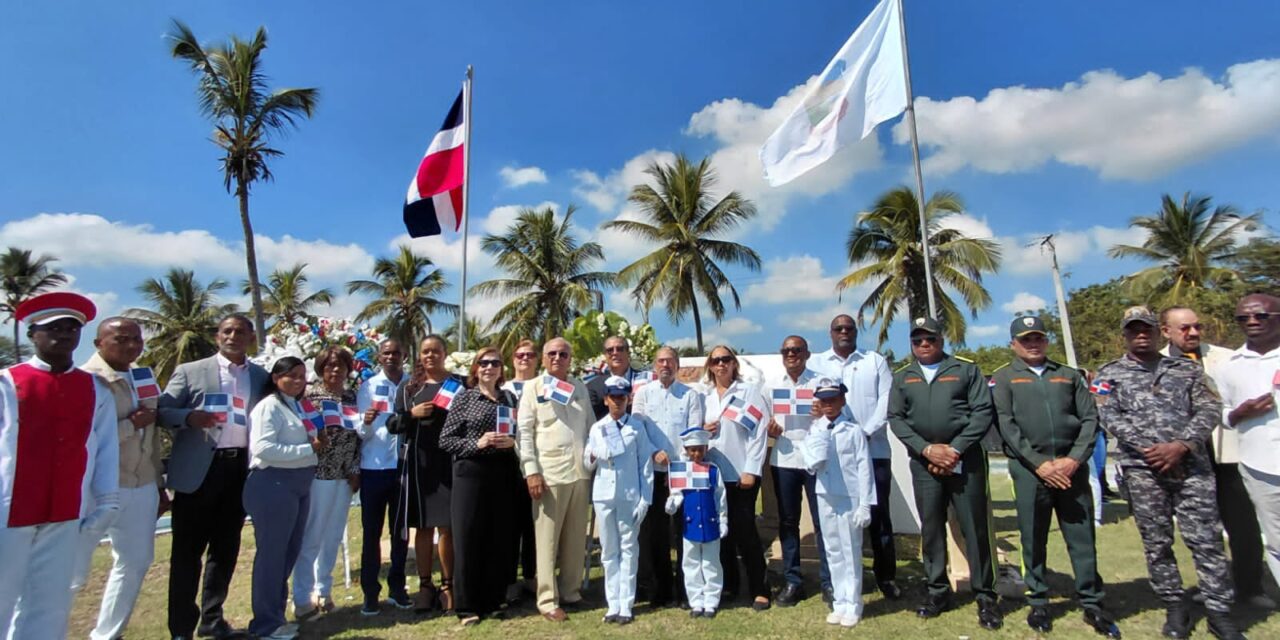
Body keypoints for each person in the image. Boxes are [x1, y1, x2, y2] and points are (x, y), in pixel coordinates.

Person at [1096, 306, 1245, 640]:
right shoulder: (1108, 375)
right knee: (1157, 543)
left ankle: (1220, 613)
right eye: (1134, 330)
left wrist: (1183, 444)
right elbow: (1107, 415)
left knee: (1206, 542)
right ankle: (1175, 607)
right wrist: (1151, 447)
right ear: (1125, 334)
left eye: (1147, 329)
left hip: (1192, 468)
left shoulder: (1185, 369)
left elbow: (1210, 408)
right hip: (1143, 470)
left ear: (1159, 331)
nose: (1141, 335)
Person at [991, 316, 1120, 637]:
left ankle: (1092, 601)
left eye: (1038, 338)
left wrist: (1073, 460)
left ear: (1046, 341)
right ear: (1013, 344)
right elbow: (1007, 426)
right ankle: (1038, 601)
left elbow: (1090, 419)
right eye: (1025, 339)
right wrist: (1040, 464)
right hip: (1030, 471)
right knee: (1032, 537)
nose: (1033, 344)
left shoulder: (1068, 375)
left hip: (1071, 470)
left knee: (1081, 537)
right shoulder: (1004, 378)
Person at [0, 292, 118, 640]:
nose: (63, 334)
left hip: (66, 509)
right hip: (10, 509)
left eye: (71, 328)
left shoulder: (94, 389)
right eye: (53, 327)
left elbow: (106, 447)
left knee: (51, 600)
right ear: (33, 333)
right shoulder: (7, 383)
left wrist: (106, 499)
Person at [888, 317, 1002, 630]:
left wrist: (953, 450)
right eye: (918, 340)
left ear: (941, 340)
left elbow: (982, 412)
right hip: (925, 464)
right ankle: (937, 591)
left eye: (930, 339)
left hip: (965, 462)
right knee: (932, 528)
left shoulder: (966, 369)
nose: (924, 345)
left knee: (974, 527)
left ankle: (985, 596)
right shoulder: (903, 376)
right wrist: (926, 450)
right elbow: (896, 418)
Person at [158, 314, 268, 639]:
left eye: (240, 332)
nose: (233, 336)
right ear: (217, 336)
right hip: (199, 472)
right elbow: (162, 411)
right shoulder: (190, 371)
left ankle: (212, 619)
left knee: (225, 549)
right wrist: (189, 417)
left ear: (250, 338)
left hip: (238, 471)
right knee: (187, 554)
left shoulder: (261, 377)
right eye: (227, 331)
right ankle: (181, 628)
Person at [1165, 306, 1275, 610]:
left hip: (1228, 455)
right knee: (1202, 530)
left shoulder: (1226, 357)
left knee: (1243, 527)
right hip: (1188, 460)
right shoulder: (1157, 363)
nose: (1194, 333)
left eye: (1197, 326)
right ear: (1167, 331)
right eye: (1185, 328)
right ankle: (1213, 585)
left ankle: (1250, 586)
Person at [71, 317, 166, 640]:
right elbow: (81, 438)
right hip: (97, 487)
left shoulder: (143, 375)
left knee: (135, 561)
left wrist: (159, 484)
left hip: (141, 483)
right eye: (121, 338)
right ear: (99, 343)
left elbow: (153, 433)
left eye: (136, 339)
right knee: (72, 569)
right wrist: (131, 425)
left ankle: (108, 634)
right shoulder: (85, 380)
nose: (131, 345)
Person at [809, 314, 899, 599]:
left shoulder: (874, 361)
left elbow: (887, 400)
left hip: (874, 451)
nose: (844, 332)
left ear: (856, 331)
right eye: (838, 328)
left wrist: (864, 432)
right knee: (831, 522)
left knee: (878, 516)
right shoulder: (816, 363)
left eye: (848, 328)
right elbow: (812, 404)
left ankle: (885, 578)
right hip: (834, 460)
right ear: (830, 332)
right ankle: (832, 581)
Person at [243, 356, 327, 640]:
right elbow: (264, 449)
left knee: (287, 554)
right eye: (291, 375)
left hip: (298, 485)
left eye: (302, 376)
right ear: (276, 377)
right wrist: (309, 450)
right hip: (273, 484)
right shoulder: (268, 406)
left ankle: (276, 616)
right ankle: (265, 624)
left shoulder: (297, 406)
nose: (298, 381)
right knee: (272, 556)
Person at [439, 346, 521, 626]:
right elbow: (446, 440)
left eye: (495, 363)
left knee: (497, 538)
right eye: (484, 363)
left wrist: (514, 442)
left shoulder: (509, 398)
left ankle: (494, 599)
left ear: (501, 369)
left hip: (502, 472)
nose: (489, 367)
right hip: (470, 474)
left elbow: (519, 432)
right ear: (476, 368)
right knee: (469, 537)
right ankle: (466, 606)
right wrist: (478, 442)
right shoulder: (464, 398)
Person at [517, 337, 594, 622]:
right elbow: (524, 432)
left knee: (575, 538)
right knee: (547, 540)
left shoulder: (579, 387)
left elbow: (590, 426)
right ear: (544, 357)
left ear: (570, 358)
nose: (558, 358)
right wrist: (531, 471)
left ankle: (571, 592)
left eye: (563, 354)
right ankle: (548, 599)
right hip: (548, 475)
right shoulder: (532, 388)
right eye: (552, 353)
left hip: (579, 473)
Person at [1210, 294, 1280, 604]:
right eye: (1243, 318)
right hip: (1260, 466)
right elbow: (1222, 413)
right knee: (1276, 542)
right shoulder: (1229, 367)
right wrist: (1241, 412)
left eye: (1260, 316)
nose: (1251, 322)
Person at [387, 335, 461, 613]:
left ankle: (448, 585)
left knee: (447, 527)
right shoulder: (409, 388)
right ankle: (425, 586)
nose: (431, 356)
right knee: (423, 526)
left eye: (436, 351)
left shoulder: (458, 384)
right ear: (419, 355)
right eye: (426, 352)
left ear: (444, 353)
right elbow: (392, 424)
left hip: (450, 461)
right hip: (419, 465)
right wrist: (411, 414)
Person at [292, 346, 361, 619]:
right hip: (318, 474)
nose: (335, 370)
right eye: (330, 365)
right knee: (312, 536)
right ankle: (303, 595)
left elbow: (356, 437)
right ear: (321, 368)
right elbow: (303, 432)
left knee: (333, 536)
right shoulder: (309, 396)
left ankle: (324, 589)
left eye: (340, 366)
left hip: (345, 476)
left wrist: (355, 469)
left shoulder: (352, 396)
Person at [633, 345, 704, 607]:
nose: (665, 365)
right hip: (652, 473)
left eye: (670, 361)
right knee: (656, 535)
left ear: (677, 365)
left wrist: (677, 468)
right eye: (661, 361)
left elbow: (694, 434)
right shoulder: (642, 394)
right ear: (654, 366)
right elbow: (638, 431)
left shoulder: (690, 395)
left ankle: (687, 590)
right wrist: (654, 454)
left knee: (683, 534)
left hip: (681, 472)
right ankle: (661, 590)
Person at [702, 345, 772, 610]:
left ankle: (760, 589)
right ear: (710, 365)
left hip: (741, 475)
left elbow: (758, 434)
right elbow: (694, 435)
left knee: (746, 533)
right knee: (722, 534)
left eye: (726, 359)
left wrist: (752, 469)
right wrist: (702, 430)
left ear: (734, 364)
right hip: (714, 475)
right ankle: (729, 585)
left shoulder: (748, 392)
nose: (721, 364)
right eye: (716, 360)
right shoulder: (704, 396)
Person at [763, 336, 830, 606]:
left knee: (822, 522)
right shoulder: (772, 386)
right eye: (787, 351)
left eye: (797, 350)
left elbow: (836, 414)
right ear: (782, 355)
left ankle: (829, 582)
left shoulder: (821, 383)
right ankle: (793, 581)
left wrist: (822, 411)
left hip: (815, 460)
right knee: (788, 523)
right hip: (785, 460)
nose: (792, 354)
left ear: (807, 353)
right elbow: (764, 423)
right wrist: (770, 430)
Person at [585, 376, 657, 624]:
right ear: (606, 400)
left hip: (629, 495)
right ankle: (612, 604)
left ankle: (626, 604)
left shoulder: (636, 427)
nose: (618, 402)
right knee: (609, 550)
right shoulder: (597, 428)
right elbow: (587, 461)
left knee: (628, 549)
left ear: (628, 399)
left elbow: (645, 466)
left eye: (622, 397)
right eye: (613, 397)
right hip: (604, 495)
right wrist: (596, 453)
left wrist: (645, 499)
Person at [803, 378, 874, 628]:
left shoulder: (853, 430)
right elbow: (809, 463)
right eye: (823, 400)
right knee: (833, 548)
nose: (828, 404)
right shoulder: (815, 428)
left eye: (833, 399)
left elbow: (865, 468)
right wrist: (813, 457)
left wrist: (865, 503)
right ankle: (839, 602)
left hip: (849, 496)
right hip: (825, 495)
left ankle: (854, 602)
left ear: (842, 400)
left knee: (850, 550)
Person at [355, 339, 413, 615]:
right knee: (371, 534)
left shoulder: (412, 385)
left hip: (403, 468)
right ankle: (370, 592)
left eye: (396, 352)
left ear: (404, 355)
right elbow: (360, 432)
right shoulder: (367, 387)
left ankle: (397, 588)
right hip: (373, 468)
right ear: (379, 357)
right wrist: (365, 423)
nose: (392, 356)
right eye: (387, 353)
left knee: (400, 533)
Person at [664, 427, 729, 619]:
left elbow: (720, 496)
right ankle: (696, 601)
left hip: (709, 523)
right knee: (690, 563)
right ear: (686, 450)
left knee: (711, 563)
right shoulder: (681, 470)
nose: (696, 454)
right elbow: (677, 494)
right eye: (692, 450)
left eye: (700, 449)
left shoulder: (713, 470)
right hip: (690, 524)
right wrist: (672, 503)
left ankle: (711, 601)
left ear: (706, 448)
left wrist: (723, 520)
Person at [501, 339, 539, 602]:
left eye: (530, 355)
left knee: (534, 523)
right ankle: (509, 579)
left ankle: (532, 575)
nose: (524, 359)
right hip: (509, 464)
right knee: (509, 524)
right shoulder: (503, 389)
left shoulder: (545, 387)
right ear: (512, 359)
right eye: (520, 355)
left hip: (539, 462)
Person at [586, 335, 650, 420]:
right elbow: (591, 419)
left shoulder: (647, 380)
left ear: (628, 353)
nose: (615, 353)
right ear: (605, 355)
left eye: (620, 349)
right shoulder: (594, 387)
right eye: (610, 350)